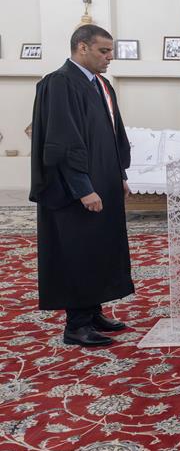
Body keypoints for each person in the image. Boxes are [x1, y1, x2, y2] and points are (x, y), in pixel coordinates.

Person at [29, 24, 134, 347]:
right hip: (73, 189)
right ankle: (76, 325)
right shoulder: (60, 83)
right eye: (104, 51)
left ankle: (92, 311)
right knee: (77, 251)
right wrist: (83, 187)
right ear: (82, 48)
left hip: (102, 179)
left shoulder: (100, 84)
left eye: (111, 51)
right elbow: (63, 143)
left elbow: (112, 133)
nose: (109, 57)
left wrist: (119, 174)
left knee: (98, 248)